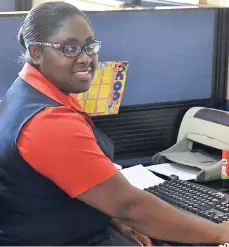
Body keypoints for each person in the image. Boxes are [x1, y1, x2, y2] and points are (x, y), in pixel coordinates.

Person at [0, 1, 229, 246]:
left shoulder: (25, 93)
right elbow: (129, 205)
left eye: (90, 46)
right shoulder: (47, 121)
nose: (85, 58)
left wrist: (112, 218)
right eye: (69, 48)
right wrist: (220, 233)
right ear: (36, 52)